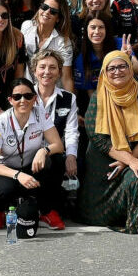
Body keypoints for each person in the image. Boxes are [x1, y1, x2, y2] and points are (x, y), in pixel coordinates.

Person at [76, 51, 138, 234]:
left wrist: (130, 160)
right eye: (111, 68)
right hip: (105, 159)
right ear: (104, 72)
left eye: (122, 66)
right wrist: (128, 160)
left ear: (130, 68)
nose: (117, 71)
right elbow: (97, 138)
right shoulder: (98, 97)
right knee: (98, 211)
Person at [0, 78, 64, 239]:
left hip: (29, 166)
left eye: (28, 96)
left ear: (35, 98)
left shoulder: (40, 114)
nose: (23, 100)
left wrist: (43, 150)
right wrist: (18, 175)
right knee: (7, 188)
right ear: (10, 100)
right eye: (17, 97)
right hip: (3, 171)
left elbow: (58, 145)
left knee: (56, 161)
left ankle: (44, 210)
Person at [24, 49, 80, 230]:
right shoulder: (23, 96)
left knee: (56, 160)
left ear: (59, 72)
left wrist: (71, 155)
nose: (47, 72)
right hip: (26, 153)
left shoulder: (68, 98)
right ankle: (41, 209)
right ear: (34, 70)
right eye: (42, 67)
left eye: (52, 68)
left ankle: (50, 209)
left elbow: (72, 131)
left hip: (54, 153)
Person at [22, 0, 77, 90]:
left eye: (53, 11)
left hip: (52, 92)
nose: (47, 12)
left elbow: (66, 78)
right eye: (44, 7)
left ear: (58, 18)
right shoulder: (26, 26)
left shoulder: (63, 42)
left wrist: (70, 103)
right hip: (28, 90)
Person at [74, 11, 115, 108]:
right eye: (93, 27)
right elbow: (91, 93)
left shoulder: (120, 43)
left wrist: (126, 57)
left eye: (101, 27)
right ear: (86, 30)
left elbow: (137, 69)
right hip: (100, 102)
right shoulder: (81, 58)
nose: (97, 31)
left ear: (107, 29)